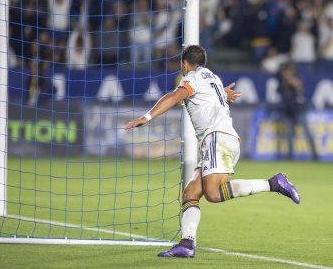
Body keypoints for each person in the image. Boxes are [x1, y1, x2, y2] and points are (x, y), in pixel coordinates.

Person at [125, 45, 300, 258]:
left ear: (184, 64)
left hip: (216, 137)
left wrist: (147, 117)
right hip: (222, 139)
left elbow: (173, 97)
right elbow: (210, 96)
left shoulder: (191, 78)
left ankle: (274, 183)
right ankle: (187, 243)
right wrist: (223, 94)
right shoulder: (213, 78)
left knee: (214, 194)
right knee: (190, 193)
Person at [276, 62, 318, 160]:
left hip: (299, 111)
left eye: (286, 71)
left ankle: (315, 155)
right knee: (290, 135)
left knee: (307, 133)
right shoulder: (281, 82)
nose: (284, 73)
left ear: (291, 71)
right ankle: (290, 156)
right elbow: (279, 93)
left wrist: (288, 77)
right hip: (288, 112)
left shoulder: (297, 77)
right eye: (284, 71)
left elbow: (297, 84)